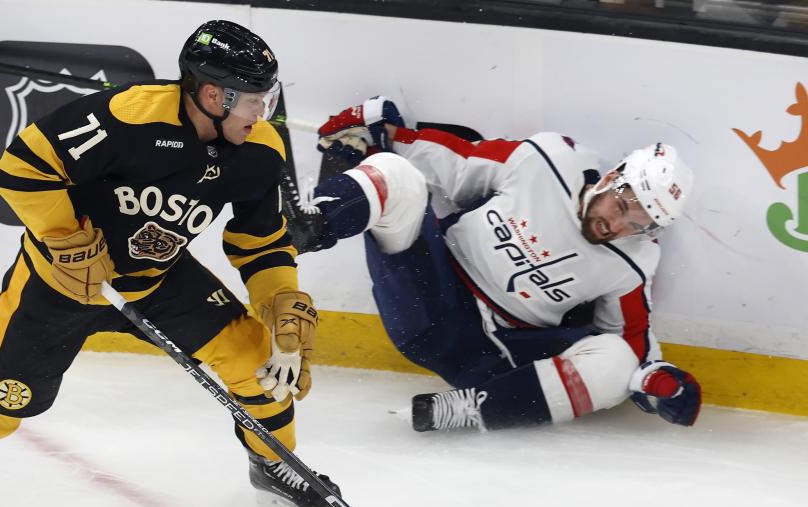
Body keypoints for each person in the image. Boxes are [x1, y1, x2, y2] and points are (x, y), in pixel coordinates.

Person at [0, 20, 343, 507]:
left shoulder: (260, 149)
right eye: (256, 99)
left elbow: (259, 244)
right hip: (57, 287)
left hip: (158, 280)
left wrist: (281, 301)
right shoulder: (127, 117)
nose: (265, 112)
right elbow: (19, 168)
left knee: (255, 355)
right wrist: (68, 241)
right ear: (214, 94)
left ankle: (274, 461)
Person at [289, 96, 702, 432]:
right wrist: (387, 135)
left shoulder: (635, 261)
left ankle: (467, 410)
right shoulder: (549, 159)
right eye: (623, 205)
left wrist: (660, 383)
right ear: (614, 177)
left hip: (487, 355)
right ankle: (308, 225)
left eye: (637, 223)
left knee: (616, 361)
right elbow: (457, 160)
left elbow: (633, 343)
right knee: (397, 174)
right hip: (425, 288)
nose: (616, 225)